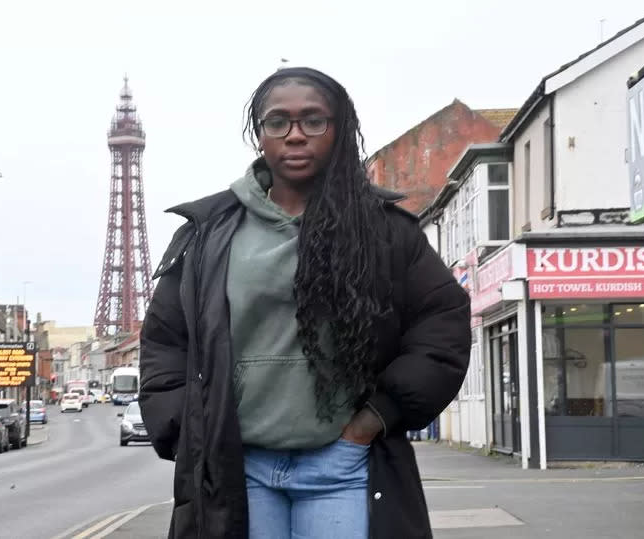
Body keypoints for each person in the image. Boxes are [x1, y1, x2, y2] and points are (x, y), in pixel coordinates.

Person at [140, 66, 471, 539]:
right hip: (238, 468)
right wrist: (185, 429)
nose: (295, 136)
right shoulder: (209, 232)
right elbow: (165, 341)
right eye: (278, 122)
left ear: (339, 130)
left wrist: (372, 421)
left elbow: (443, 326)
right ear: (259, 136)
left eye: (313, 120)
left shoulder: (383, 230)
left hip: (340, 467)